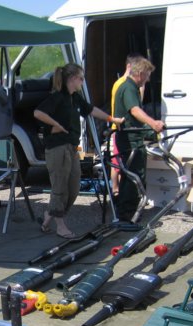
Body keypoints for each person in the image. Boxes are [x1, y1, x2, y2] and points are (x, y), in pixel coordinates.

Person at [34, 63, 124, 239]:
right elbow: (38, 113)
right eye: (81, 79)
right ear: (73, 79)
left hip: (72, 148)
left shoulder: (75, 98)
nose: (83, 82)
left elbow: (91, 110)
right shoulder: (57, 97)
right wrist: (56, 125)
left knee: (74, 187)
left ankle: (49, 215)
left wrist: (112, 119)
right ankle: (60, 226)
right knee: (60, 188)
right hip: (57, 148)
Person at [113, 57, 164, 222]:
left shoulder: (131, 87)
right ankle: (127, 214)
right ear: (140, 73)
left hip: (133, 138)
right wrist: (153, 123)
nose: (148, 79)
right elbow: (134, 110)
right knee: (133, 176)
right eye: (147, 75)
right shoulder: (128, 88)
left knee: (132, 174)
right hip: (130, 140)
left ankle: (130, 211)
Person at [108, 53, 145, 196]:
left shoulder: (128, 85)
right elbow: (134, 107)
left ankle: (120, 192)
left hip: (121, 128)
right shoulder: (123, 84)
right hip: (119, 128)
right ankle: (116, 190)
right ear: (129, 66)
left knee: (121, 163)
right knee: (118, 164)